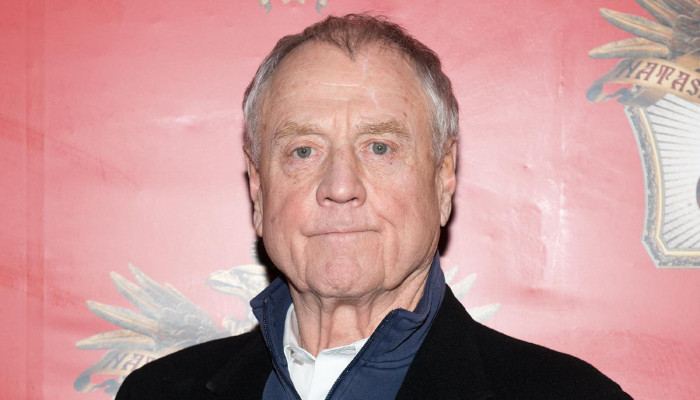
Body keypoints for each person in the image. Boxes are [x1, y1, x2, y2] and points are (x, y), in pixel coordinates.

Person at [116, 14, 632, 400]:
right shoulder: (155, 392)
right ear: (257, 188)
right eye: (303, 151)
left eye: (380, 147)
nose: (340, 186)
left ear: (443, 178)